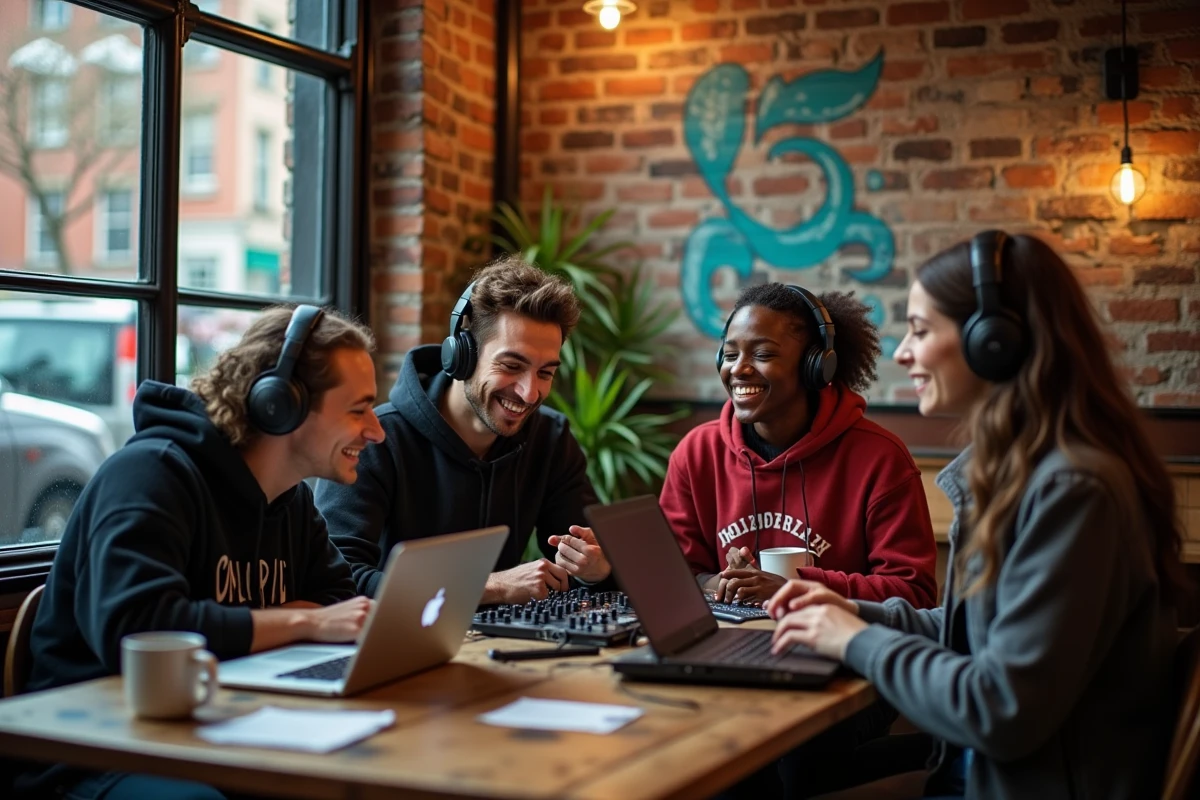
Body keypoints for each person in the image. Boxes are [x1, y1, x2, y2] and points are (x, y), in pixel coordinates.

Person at [768, 231, 1188, 799]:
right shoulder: (1018, 473)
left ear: (995, 342)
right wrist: (854, 613)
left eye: (920, 330)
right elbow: (976, 631)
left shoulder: (1073, 489)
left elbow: (1001, 707)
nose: (901, 353)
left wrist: (853, 641)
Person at [9, 305, 385, 800]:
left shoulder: (290, 500)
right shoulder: (150, 473)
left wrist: (313, 621)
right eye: (358, 409)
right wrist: (300, 622)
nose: (376, 430)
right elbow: (138, 626)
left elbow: (340, 607)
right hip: (96, 753)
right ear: (282, 404)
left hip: (218, 729)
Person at [316, 255, 609, 604]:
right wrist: (490, 586)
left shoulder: (551, 439)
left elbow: (590, 568)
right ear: (461, 355)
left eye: (545, 373)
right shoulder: (378, 439)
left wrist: (597, 570)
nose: (530, 393)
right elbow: (336, 578)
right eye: (511, 365)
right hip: (394, 648)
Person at [660, 282, 937, 609]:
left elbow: (913, 593)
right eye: (731, 354)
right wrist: (721, 582)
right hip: (729, 647)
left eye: (762, 354)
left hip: (839, 649)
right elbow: (670, 575)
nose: (739, 369)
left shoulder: (881, 458)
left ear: (815, 366)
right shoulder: (696, 453)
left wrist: (797, 586)